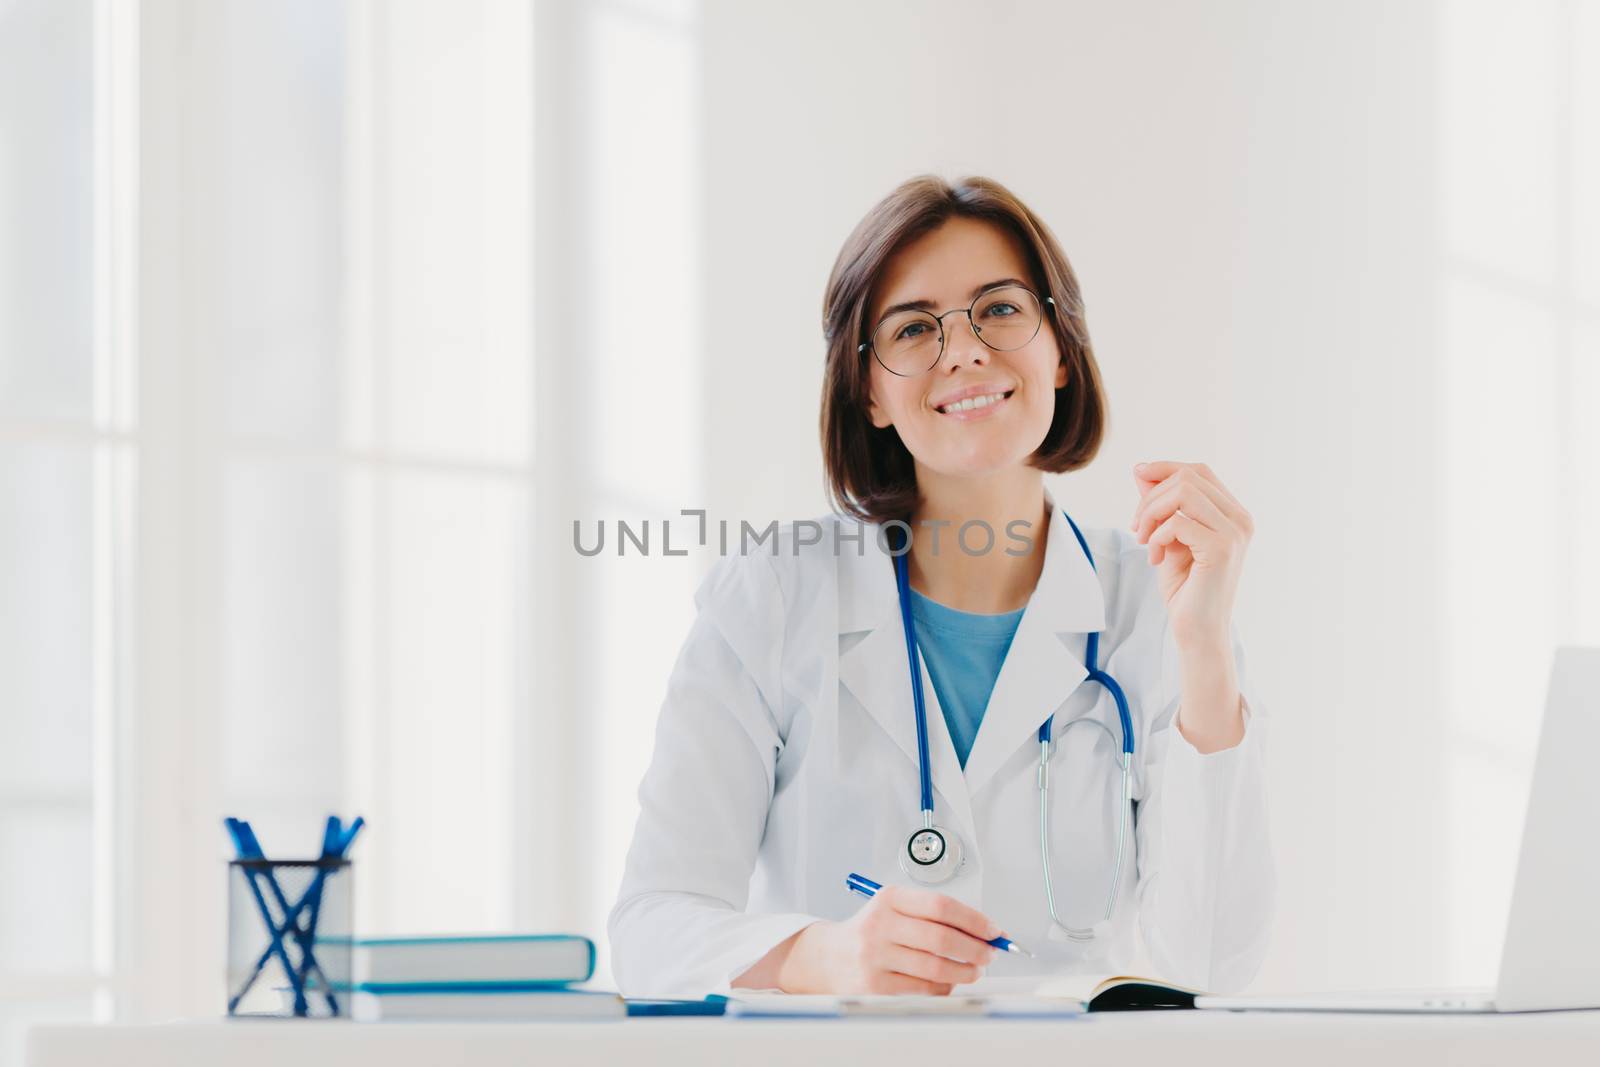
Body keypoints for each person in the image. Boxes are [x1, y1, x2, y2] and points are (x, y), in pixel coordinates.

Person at [607, 174, 1272, 999]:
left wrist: (1206, 653)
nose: (963, 350)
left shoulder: (1159, 602)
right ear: (870, 394)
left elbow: (1210, 967)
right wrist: (830, 955)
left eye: (999, 309)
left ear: (1060, 349)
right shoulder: (774, 595)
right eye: (914, 328)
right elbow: (652, 931)